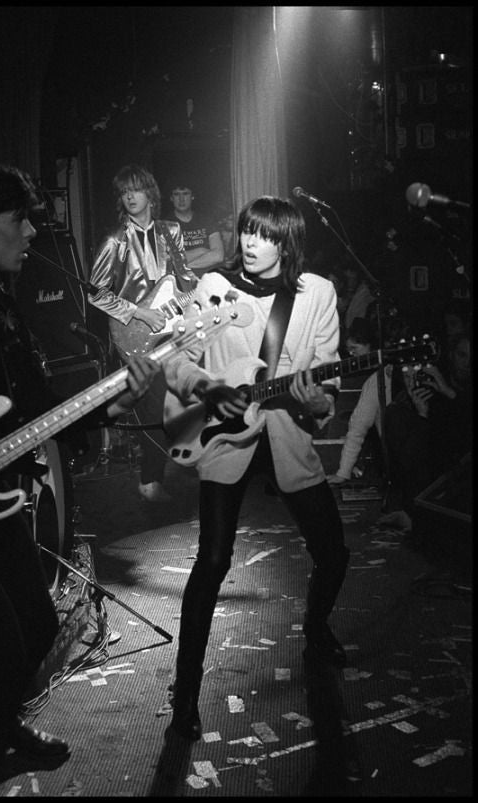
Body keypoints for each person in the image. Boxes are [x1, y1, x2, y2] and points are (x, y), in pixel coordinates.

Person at [0, 161, 160, 795]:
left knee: (36, 627)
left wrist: (116, 401)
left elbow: (40, 413)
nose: (33, 232)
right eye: (20, 220)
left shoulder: (3, 311)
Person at [162, 195, 349, 741]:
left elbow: (326, 385)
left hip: (287, 435)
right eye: (246, 230)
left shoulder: (317, 294)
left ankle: (316, 630)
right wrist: (208, 387)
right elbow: (174, 361)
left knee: (334, 552)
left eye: (264, 234)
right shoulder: (212, 289)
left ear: (286, 242)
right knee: (213, 561)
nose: (250, 241)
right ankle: (186, 693)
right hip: (226, 435)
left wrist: (316, 401)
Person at [88, 164, 197, 503]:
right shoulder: (115, 240)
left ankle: (177, 470)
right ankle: (150, 481)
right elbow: (95, 292)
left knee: (183, 396)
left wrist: (201, 289)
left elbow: (184, 278)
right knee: (154, 404)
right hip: (133, 332)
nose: (130, 196)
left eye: (135, 189)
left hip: (170, 326)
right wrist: (138, 312)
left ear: (150, 193)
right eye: (124, 192)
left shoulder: (170, 231)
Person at [381, 332, 471, 533]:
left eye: (420, 373)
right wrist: (421, 416)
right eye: (408, 374)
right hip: (423, 504)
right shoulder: (397, 411)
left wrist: (448, 393)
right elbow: (407, 464)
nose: (415, 380)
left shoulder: (447, 401)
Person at [327, 318, 395, 487]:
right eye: (348, 350)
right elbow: (357, 428)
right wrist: (343, 472)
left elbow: (357, 428)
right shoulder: (375, 380)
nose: (351, 354)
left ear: (371, 346)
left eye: (354, 348)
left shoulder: (380, 377)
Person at [169, 180, 224, 276]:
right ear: (171, 198)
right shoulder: (165, 224)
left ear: (192, 196)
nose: (181, 199)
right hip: (181, 282)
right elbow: (170, 260)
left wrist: (184, 268)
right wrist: (201, 250)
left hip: (209, 278)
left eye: (185, 194)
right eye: (177, 194)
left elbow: (218, 256)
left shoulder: (207, 220)